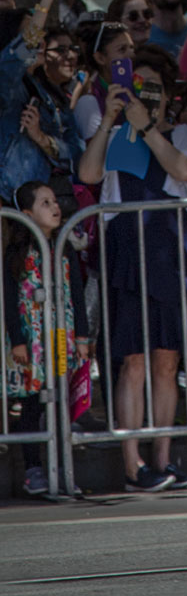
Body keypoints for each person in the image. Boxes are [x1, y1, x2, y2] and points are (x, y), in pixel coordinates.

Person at [77, 46, 187, 491]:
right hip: (126, 245)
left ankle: (163, 458)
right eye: (138, 86)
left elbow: (183, 170)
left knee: (166, 360)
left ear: (168, 96)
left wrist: (146, 126)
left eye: (154, 88)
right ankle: (133, 465)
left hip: (168, 244)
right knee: (132, 359)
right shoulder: (111, 136)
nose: (145, 94)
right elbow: (89, 175)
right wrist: (112, 120)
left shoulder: (183, 134)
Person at [4, 180, 91, 497]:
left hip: (60, 337)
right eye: (45, 203)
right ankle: (33, 470)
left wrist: (82, 335)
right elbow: (10, 299)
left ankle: (63, 470)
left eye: (55, 201)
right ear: (26, 214)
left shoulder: (64, 246)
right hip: (31, 339)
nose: (55, 208)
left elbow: (77, 295)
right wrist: (18, 340)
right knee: (30, 403)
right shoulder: (16, 253)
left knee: (60, 404)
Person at [0, 0, 85, 203]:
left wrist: (42, 139)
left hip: (47, 206)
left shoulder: (49, 92)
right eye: (30, 33)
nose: (40, 41)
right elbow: (24, 49)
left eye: (42, 35)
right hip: (9, 203)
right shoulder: (5, 81)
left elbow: (75, 153)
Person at [73, 20, 136, 142]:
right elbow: (96, 153)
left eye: (132, 48)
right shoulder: (89, 102)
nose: (131, 55)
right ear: (100, 58)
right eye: (122, 50)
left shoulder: (139, 89)